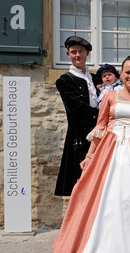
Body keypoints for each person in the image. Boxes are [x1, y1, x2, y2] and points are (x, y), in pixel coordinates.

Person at [52, 56, 130, 253]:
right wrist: (89, 156)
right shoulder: (110, 97)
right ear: (121, 74)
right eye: (127, 72)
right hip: (109, 152)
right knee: (105, 201)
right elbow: (100, 127)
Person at [54, 36, 100, 196]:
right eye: (73, 52)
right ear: (68, 54)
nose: (77, 55)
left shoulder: (95, 78)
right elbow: (77, 110)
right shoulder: (65, 81)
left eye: (81, 51)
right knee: (80, 185)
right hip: (80, 136)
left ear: (87, 53)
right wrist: (102, 117)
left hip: (101, 135)